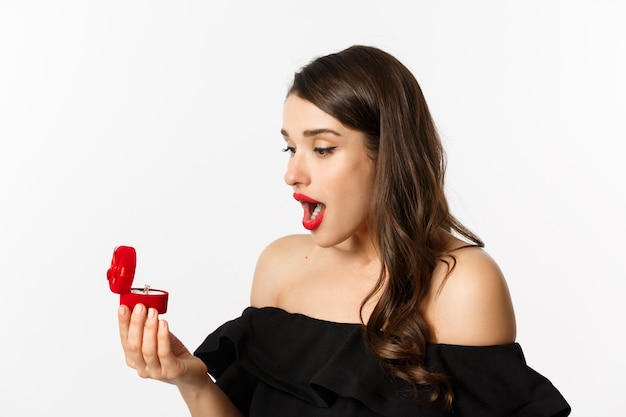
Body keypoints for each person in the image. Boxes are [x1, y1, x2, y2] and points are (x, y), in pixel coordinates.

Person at [117, 45, 571, 416]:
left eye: (322, 148)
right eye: (290, 147)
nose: (292, 173)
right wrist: (190, 380)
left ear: (387, 154)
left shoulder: (463, 285)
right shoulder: (280, 266)